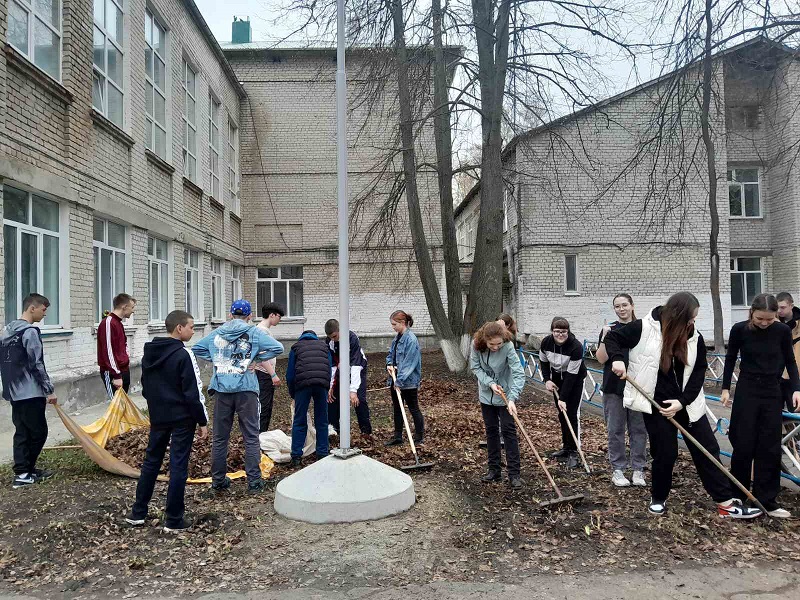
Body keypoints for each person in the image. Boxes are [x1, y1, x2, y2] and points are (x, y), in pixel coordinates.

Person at [604, 291, 761, 519]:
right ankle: (658, 498)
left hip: (689, 404)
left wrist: (682, 401)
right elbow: (613, 338)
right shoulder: (644, 328)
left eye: (694, 319)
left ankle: (725, 503)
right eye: (689, 318)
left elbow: (698, 372)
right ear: (677, 315)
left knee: (708, 450)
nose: (692, 323)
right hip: (656, 405)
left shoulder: (693, 335)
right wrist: (617, 359)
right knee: (666, 453)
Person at [125, 310, 208, 532]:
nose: (192, 330)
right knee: (178, 464)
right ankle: (173, 519)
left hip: (159, 416)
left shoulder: (149, 354)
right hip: (182, 418)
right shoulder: (184, 355)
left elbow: (145, 386)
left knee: (151, 461)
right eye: (191, 326)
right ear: (179, 328)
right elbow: (192, 392)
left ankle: (138, 512)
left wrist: (157, 405)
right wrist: (202, 421)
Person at [191, 299, 283, 494]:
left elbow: (197, 348)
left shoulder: (217, 334)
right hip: (246, 390)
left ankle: (217, 481)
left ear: (231, 315)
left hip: (222, 391)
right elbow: (278, 348)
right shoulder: (254, 332)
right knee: (251, 436)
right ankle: (254, 481)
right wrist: (255, 358)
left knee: (220, 438)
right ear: (249, 316)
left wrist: (220, 360)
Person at [721, 294, 800, 519]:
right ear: (751, 313)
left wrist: (796, 388)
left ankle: (768, 499)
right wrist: (726, 387)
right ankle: (738, 494)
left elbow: (790, 361)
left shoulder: (782, 331)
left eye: (769, 319)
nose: (764, 323)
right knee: (743, 443)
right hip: (747, 390)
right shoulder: (739, 330)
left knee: (769, 446)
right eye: (759, 319)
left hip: (772, 391)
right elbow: (729, 358)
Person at [0, 293, 57, 489]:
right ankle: (24, 472)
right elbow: (37, 363)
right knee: (39, 432)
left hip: (14, 392)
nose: (44, 314)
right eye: (43, 309)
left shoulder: (6, 331)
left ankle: (25, 471)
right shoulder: (30, 332)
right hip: (31, 391)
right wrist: (49, 390)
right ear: (32, 308)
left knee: (22, 431)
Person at [596, 294, 647, 488]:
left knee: (639, 429)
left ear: (633, 306)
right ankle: (618, 470)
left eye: (624, 305)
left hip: (637, 386)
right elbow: (601, 359)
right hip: (613, 386)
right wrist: (603, 337)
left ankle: (638, 470)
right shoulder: (610, 329)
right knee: (615, 429)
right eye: (617, 306)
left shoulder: (642, 329)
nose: (621, 309)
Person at [471, 321, 526, 489]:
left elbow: (518, 372)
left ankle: (514, 474)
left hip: (506, 395)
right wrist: (490, 383)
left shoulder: (508, 346)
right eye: (491, 345)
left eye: (498, 344)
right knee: (492, 431)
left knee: (509, 431)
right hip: (487, 396)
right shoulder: (476, 345)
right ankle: (494, 470)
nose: (495, 347)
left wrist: (512, 398)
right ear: (485, 341)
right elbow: (476, 367)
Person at [539, 317, 587, 469]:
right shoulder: (546, 343)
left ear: (568, 331)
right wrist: (546, 379)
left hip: (575, 380)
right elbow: (544, 362)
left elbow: (572, 376)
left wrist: (563, 398)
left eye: (564, 332)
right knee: (562, 414)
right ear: (552, 331)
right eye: (557, 331)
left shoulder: (576, 347)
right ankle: (566, 447)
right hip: (556, 380)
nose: (560, 334)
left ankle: (574, 451)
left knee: (571, 414)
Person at [285, 330, 332, 467]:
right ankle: (322, 453)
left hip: (302, 385)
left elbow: (290, 374)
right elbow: (328, 368)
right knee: (322, 420)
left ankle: (296, 457)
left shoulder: (296, 347)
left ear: (301, 338)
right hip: (321, 385)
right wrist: (326, 387)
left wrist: (293, 394)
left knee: (299, 420)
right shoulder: (324, 346)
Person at [325, 319, 372, 438]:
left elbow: (356, 365)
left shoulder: (352, 338)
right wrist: (330, 386)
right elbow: (332, 366)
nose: (333, 339)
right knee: (332, 398)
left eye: (335, 336)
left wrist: (353, 390)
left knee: (358, 400)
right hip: (340, 371)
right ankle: (334, 431)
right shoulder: (329, 342)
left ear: (340, 330)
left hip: (357, 369)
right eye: (330, 337)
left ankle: (366, 432)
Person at [385, 310, 424, 446]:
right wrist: (389, 364)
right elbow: (391, 355)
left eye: (394, 324)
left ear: (402, 323)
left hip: (408, 382)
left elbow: (409, 364)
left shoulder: (411, 340)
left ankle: (419, 437)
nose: (393, 327)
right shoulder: (397, 338)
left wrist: (399, 381)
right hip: (395, 380)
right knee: (397, 408)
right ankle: (398, 437)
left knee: (413, 408)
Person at [97, 293, 136, 399]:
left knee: (123, 407)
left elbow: (122, 347)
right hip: (113, 373)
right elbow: (108, 351)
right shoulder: (108, 323)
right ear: (124, 307)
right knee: (116, 407)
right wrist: (116, 375)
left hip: (123, 370)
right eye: (132, 307)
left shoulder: (118, 323)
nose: (133, 311)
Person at [254, 302, 284, 432]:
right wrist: (273, 374)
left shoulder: (263, 330)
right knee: (264, 408)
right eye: (279, 316)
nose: (279, 320)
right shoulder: (262, 331)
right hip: (263, 374)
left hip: (263, 373)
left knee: (266, 407)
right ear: (271, 315)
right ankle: (260, 439)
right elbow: (262, 355)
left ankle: (261, 437)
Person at [776, 292, 800, 413]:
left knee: (795, 409)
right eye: (777, 307)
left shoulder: (798, 324)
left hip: (795, 374)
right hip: (777, 375)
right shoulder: (773, 323)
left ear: (791, 305)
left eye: (783, 307)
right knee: (776, 411)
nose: (779, 311)